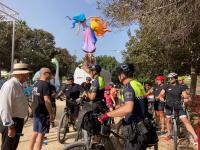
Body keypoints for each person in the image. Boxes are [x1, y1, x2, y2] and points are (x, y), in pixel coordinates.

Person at [98, 63, 149, 150]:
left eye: (118, 74)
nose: (118, 76)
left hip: (135, 131)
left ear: (122, 75)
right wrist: (120, 107)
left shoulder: (128, 87)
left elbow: (128, 109)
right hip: (143, 126)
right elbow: (136, 102)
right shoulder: (138, 84)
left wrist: (107, 115)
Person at [0, 63, 31, 150]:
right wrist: (10, 126)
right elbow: (4, 107)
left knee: (12, 147)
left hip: (16, 122)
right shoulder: (10, 85)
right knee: (8, 148)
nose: (28, 75)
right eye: (27, 73)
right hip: (12, 122)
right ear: (21, 74)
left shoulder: (17, 84)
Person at [159, 72, 197, 143]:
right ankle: (169, 134)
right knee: (168, 120)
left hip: (178, 106)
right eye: (169, 78)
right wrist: (162, 99)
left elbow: (185, 96)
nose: (170, 79)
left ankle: (195, 136)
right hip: (168, 106)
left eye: (171, 78)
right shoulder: (166, 86)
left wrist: (186, 99)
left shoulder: (181, 86)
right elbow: (161, 95)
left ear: (175, 78)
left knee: (185, 120)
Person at [29, 68, 55, 150]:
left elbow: (33, 98)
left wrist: (31, 110)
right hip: (43, 114)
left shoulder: (36, 84)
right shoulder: (45, 84)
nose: (51, 75)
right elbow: (47, 100)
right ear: (46, 74)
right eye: (50, 73)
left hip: (36, 112)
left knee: (35, 133)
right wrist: (51, 113)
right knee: (41, 135)